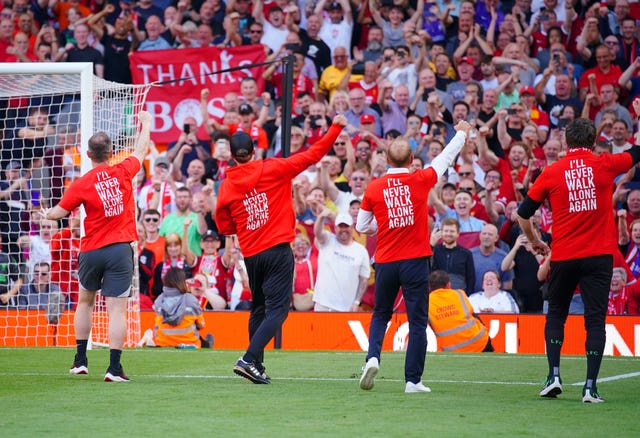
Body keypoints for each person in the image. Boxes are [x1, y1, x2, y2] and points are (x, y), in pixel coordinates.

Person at [215, 114, 347, 384]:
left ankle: (257, 366)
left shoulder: (227, 186)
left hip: (252, 254)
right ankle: (249, 359)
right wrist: (336, 128)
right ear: (254, 150)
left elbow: (223, 223)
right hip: (276, 249)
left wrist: (245, 224)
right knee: (278, 310)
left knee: (259, 308)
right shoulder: (273, 168)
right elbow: (313, 155)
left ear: (232, 155)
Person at [516, 118, 640, 403]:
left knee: (556, 313)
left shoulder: (552, 171)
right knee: (595, 320)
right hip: (598, 256)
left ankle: (554, 376)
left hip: (564, 255)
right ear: (593, 139)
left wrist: (534, 240)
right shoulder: (605, 163)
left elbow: (523, 214)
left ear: (565, 141)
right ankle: (590, 387)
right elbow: (637, 151)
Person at [356, 120, 471, 393]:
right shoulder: (420, 179)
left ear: (385, 159)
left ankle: (372, 357)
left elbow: (361, 226)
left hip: (385, 260)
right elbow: (445, 157)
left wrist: (384, 224)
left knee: (380, 314)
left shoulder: (373, 188)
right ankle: (412, 380)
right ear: (411, 160)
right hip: (415, 260)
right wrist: (462, 133)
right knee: (417, 321)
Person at [42, 110, 152, 382]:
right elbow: (141, 148)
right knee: (116, 309)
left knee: (85, 302)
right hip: (119, 249)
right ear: (111, 151)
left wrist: (46, 214)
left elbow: (59, 212)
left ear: (87, 154)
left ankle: (80, 360)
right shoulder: (124, 170)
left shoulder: (81, 183)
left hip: (91, 249)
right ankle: (114, 368)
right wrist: (146, 123)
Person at [312, 209, 370, 312]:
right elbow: (318, 233)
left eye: (346, 226)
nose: (343, 229)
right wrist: (320, 217)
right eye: (340, 226)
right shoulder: (328, 239)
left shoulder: (361, 251)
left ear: (352, 228)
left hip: (347, 308)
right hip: (323, 304)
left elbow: (364, 279)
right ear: (335, 228)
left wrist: (356, 302)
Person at [428, 270, 492, 352]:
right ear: (448, 284)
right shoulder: (460, 294)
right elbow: (470, 313)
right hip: (479, 341)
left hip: (452, 350)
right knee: (473, 316)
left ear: (429, 287)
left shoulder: (426, 303)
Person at [152, 267, 208, 348]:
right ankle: (206, 343)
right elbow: (201, 325)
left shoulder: (159, 301)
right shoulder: (191, 300)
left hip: (163, 343)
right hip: (189, 343)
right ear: (183, 281)